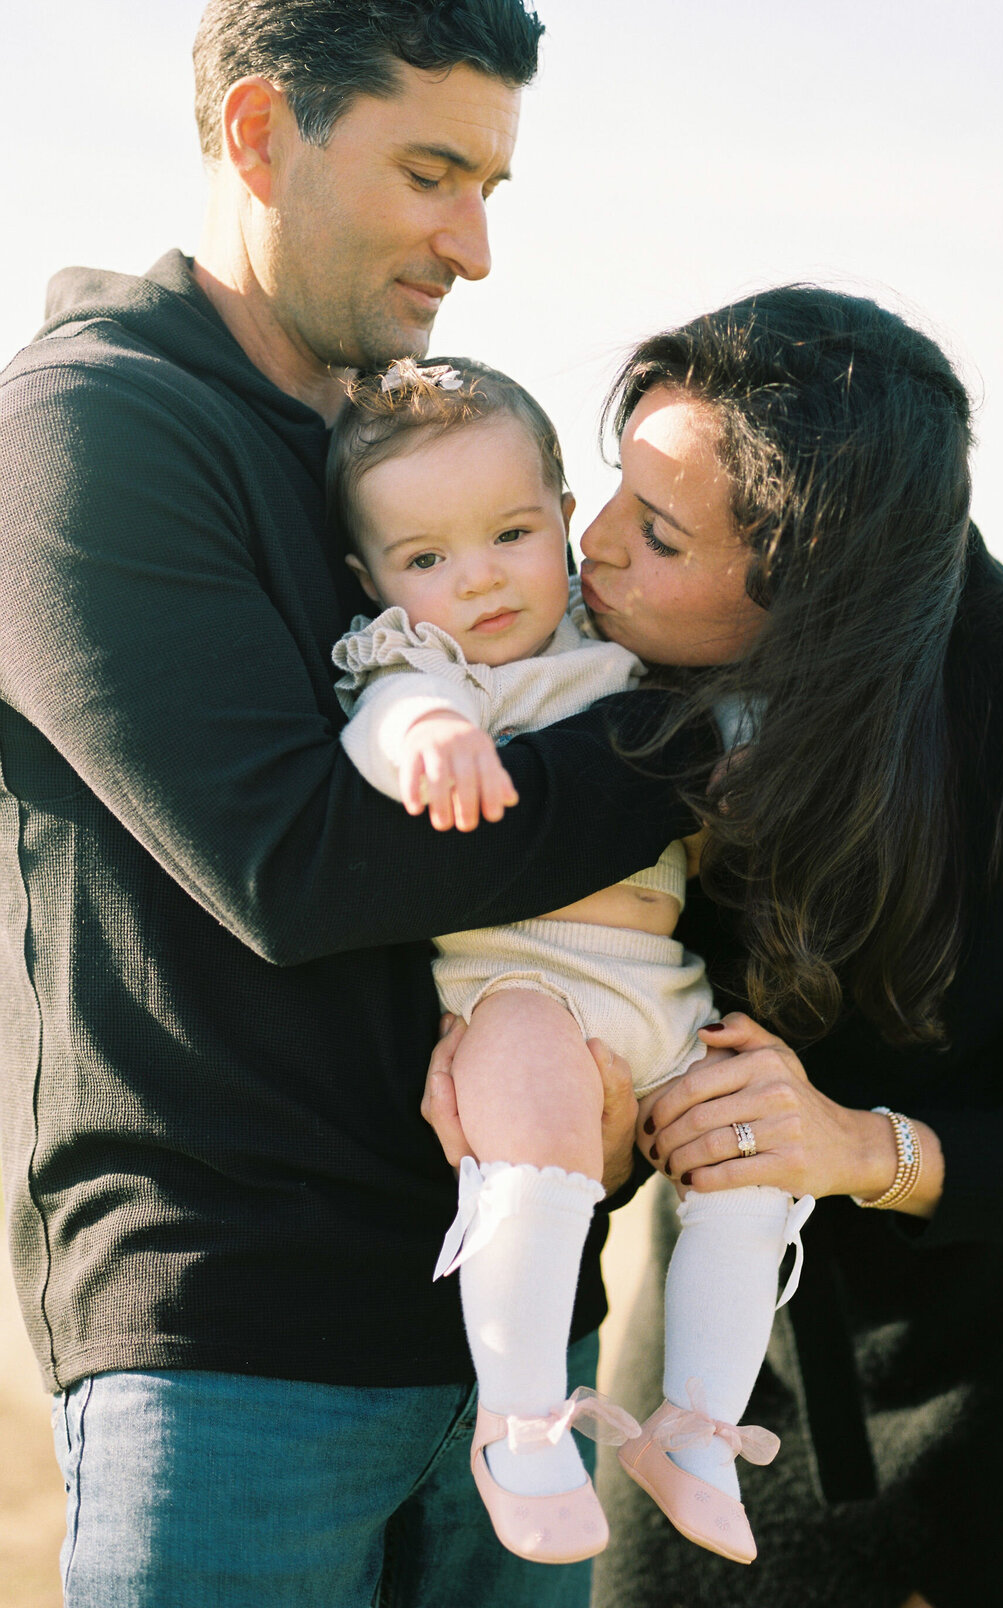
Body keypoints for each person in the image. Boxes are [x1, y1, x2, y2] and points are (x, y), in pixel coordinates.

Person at [0, 5, 705, 1606]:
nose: (471, 243)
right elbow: (297, 866)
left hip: (525, 1340)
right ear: (260, 135)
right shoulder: (83, 436)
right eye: (431, 173)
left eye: (492, 187)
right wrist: (700, 749)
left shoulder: (412, 452)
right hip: (242, 1356)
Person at [423, 285, 1003, 1608]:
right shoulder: (604, 676)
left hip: (1001, 1387)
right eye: (611, 490)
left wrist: (846, 1145)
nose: (586, 544)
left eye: (657, 535)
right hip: (713, 1380)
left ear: (815, 594)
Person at [325, 354, 816, 1567]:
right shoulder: (433, 664)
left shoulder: (617, 634)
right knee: (536, 1140)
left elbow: (730, 727)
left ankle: (698, 1428)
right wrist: (429, 733)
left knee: (746, 1158)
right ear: (373, 580)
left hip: (665, 1000)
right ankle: (522, 1418)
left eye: (509, 532)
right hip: (521, 990)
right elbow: (380, 713)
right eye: (425, 560)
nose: (478, 578)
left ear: (562, 512)